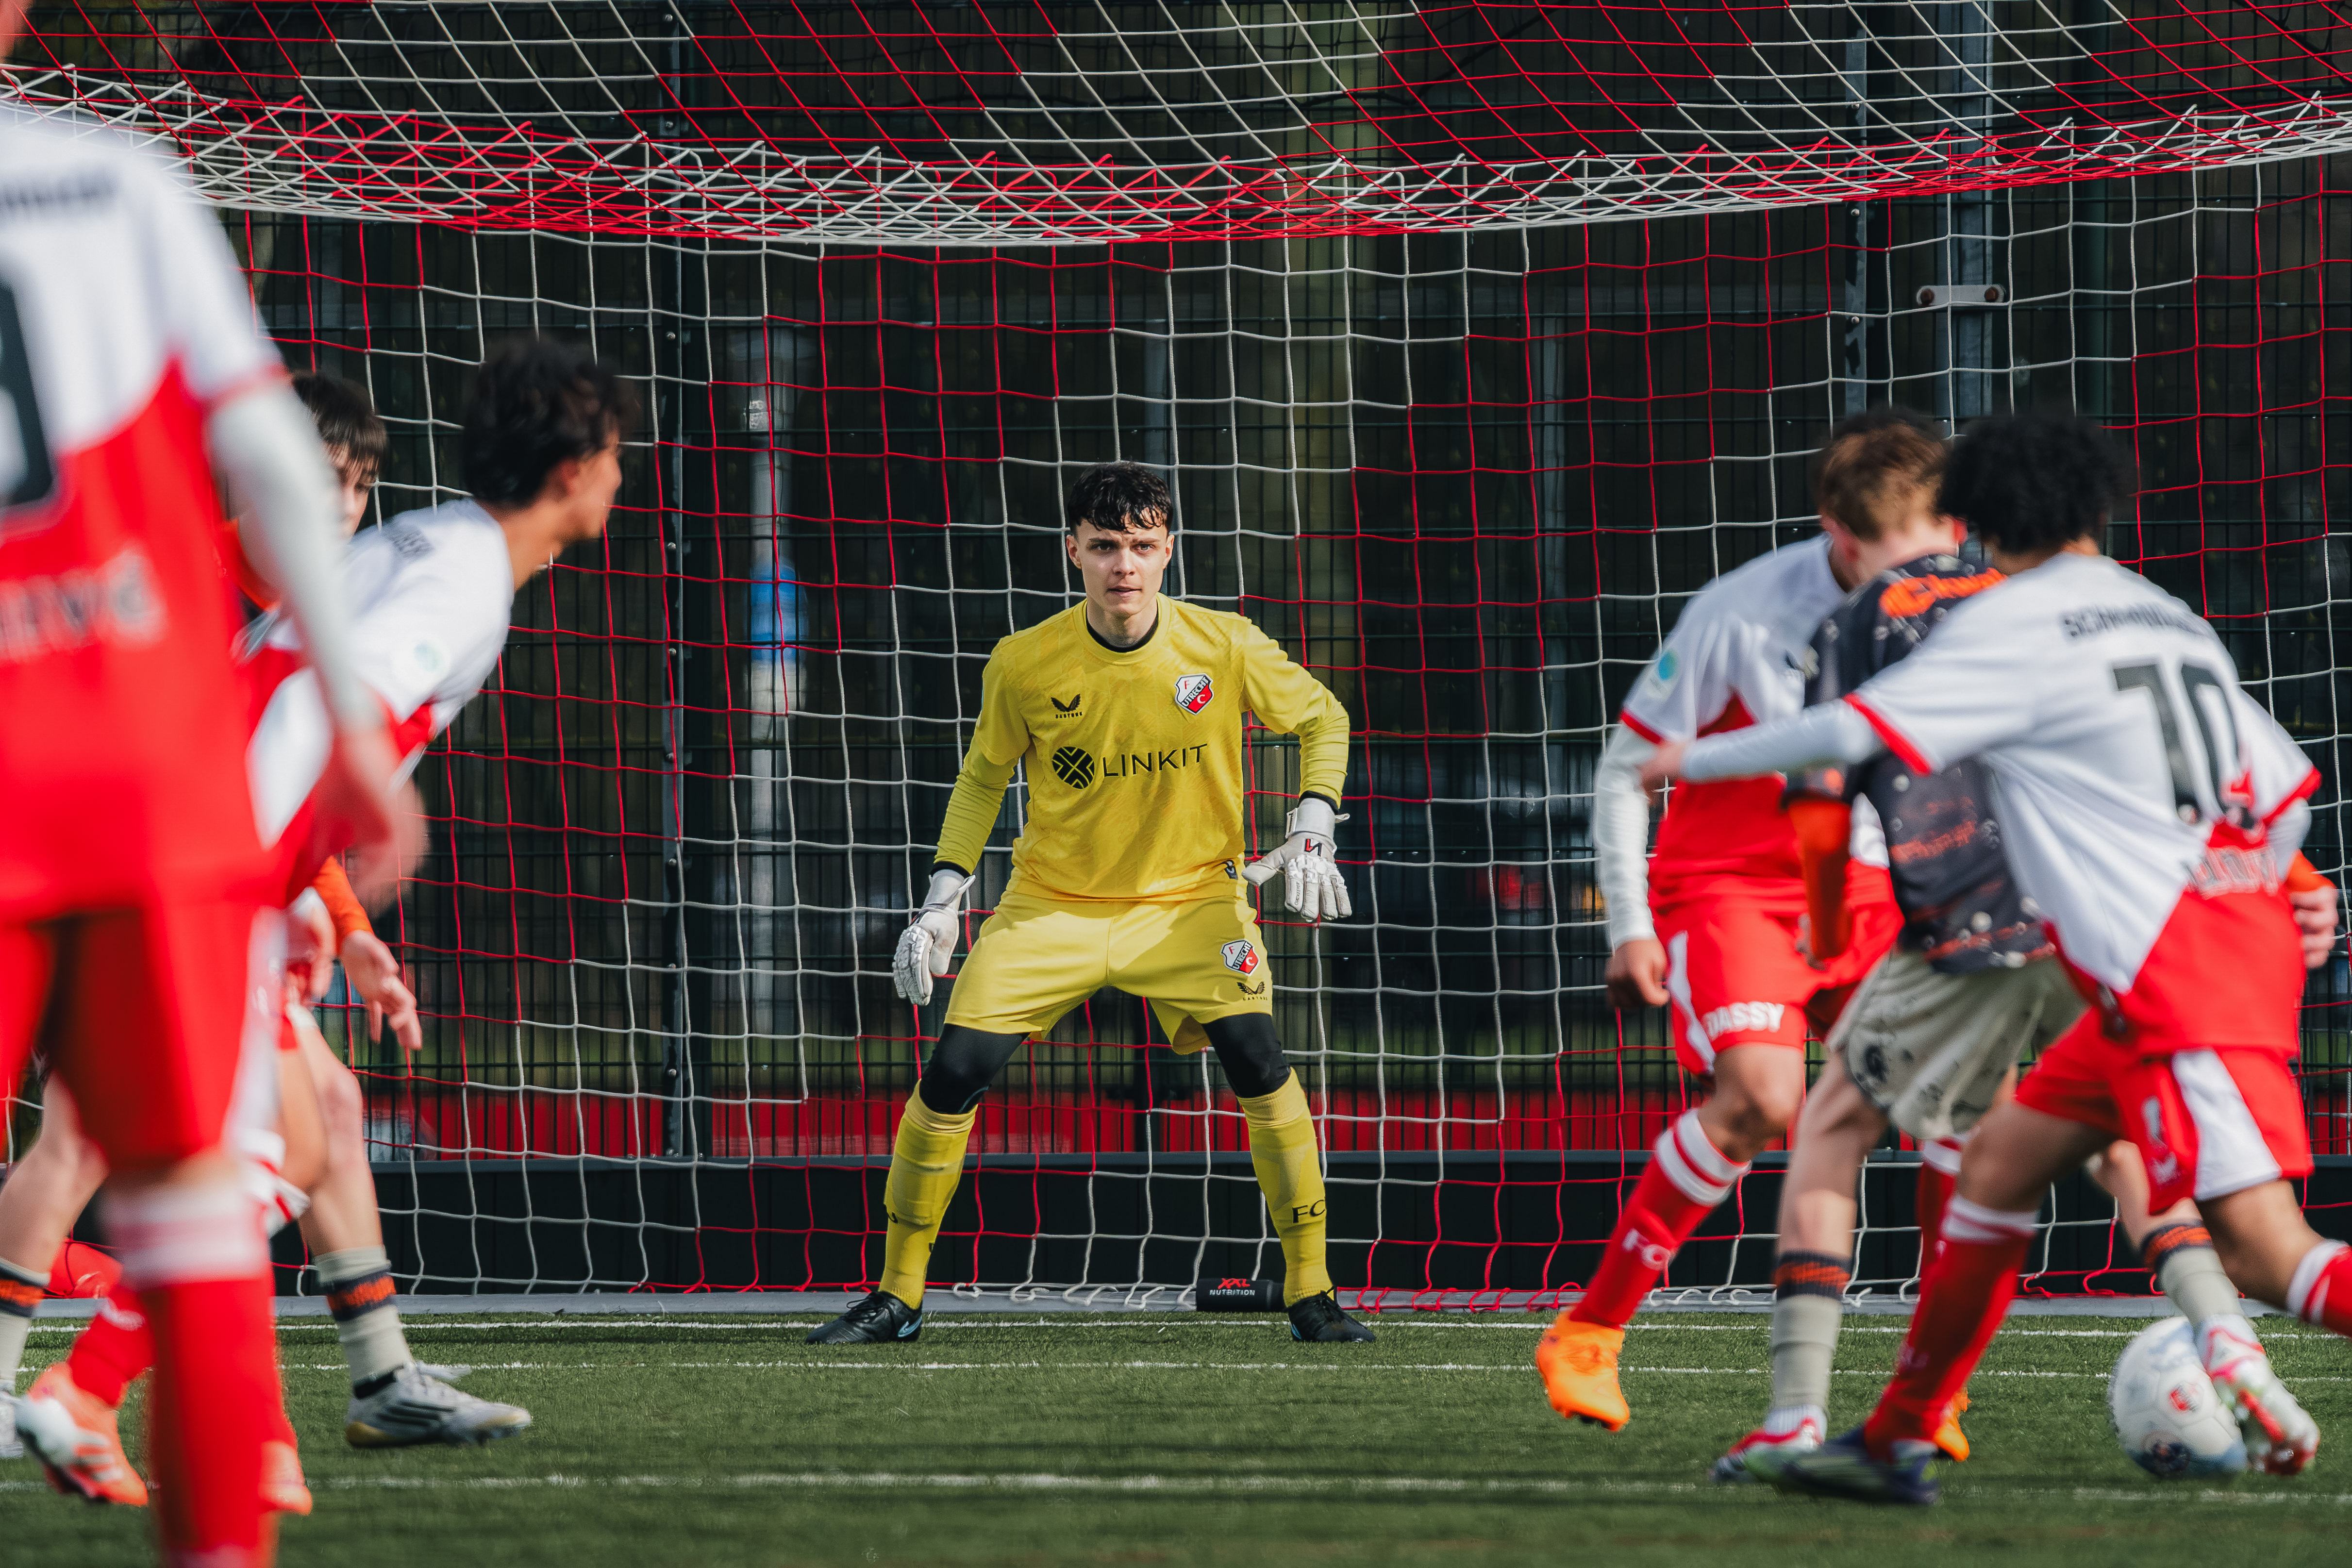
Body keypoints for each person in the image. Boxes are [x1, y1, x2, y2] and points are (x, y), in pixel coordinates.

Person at [1649, 411, 2338, 1503]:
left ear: (1972, 518)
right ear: (2093, 509)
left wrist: (1686, 756)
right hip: (2187, 949)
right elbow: (2284, 787)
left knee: (2266, 1253)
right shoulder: (2165, 616)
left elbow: (1844, 735)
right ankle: (1893, 1439)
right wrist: (2289, 891)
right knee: (1999, 1166)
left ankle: (1826, 1416)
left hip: (2166, 969)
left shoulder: (2011, 624)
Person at [8, 341, 627, 1503]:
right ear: (576, 471)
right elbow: (301, 707)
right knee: (228, 1149)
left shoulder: (428, 543)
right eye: (613, 458)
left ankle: (274, 1413)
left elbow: (257, 680)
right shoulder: (461, 581)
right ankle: (92, 1394)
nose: (619, 479)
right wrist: (257, 873)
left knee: (306, 1126)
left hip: (187, 844)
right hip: (198, 864)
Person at [0, 19, 407, 1560]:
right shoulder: (114, 179)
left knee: (197, 1143)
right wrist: (363, 742)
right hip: (124, 764)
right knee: (192, 1191)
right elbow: (261, 445)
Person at [809, 461, 1372, 1344]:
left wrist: (1312, 825)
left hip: (1193, 905)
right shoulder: (1025, 662)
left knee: (1260, 1062)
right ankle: (898, 1295)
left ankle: (1312, 1290)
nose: (1125, 565)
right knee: (951, 1073)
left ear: (1168, 553)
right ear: (1072, 550)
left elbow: (1324, 717)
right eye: (1106, 545)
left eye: (1143, 546)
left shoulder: (1222, 645)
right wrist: (941, 900)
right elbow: (981, 780)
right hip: (1052, 908)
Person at [1533, 412, 1906, 1432]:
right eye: (1895, 551)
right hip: (1732, 885)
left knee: (1967, 1116)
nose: (1919, 570)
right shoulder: (1737, 613)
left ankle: (1920, 1396)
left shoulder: (1956, 602)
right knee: (1759, 1095)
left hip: (1875, 890)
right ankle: (1590, 1330)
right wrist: (1629, 922)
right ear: (1839, 532)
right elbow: (1624, 767)